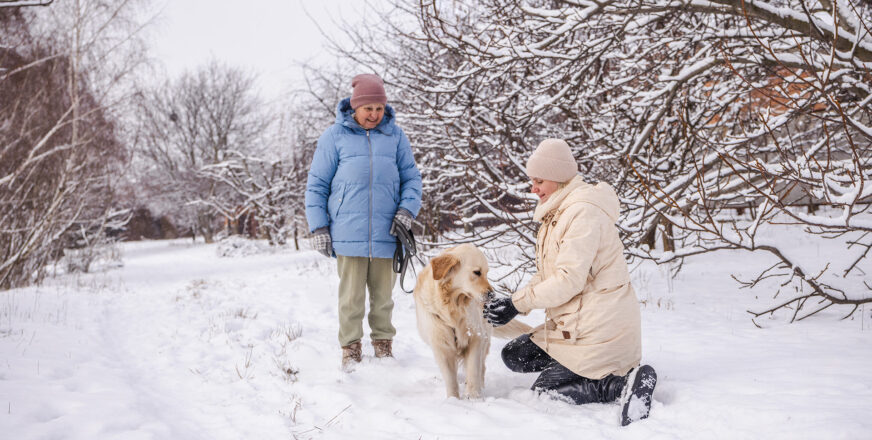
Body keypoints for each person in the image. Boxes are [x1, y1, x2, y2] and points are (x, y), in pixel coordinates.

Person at [483, 138, 657, 426]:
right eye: (532, 180)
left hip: (600, 330)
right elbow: (548, 274)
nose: (533, 188)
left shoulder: (582, 213)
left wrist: (517, 304)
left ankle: (620, 383)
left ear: (559, 178)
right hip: (575, 324)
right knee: (514, 356)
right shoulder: (558, 214)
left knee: (545, 393)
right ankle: (578, 368)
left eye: (539, 180)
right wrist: (514, 303)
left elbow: (567, 281)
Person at [305, 73, 422, 370]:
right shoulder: (334, 136)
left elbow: (411, 178)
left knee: (384, 298)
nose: (374, 115)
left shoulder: (395, 136)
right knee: (351, 298)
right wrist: (319, 226)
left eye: (379, 108)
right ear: (354, 107)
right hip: (347, 232)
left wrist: (407, 211)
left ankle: (383, 347)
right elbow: (317, 184)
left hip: (388, 231)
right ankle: (351, 349)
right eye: (368, 108)